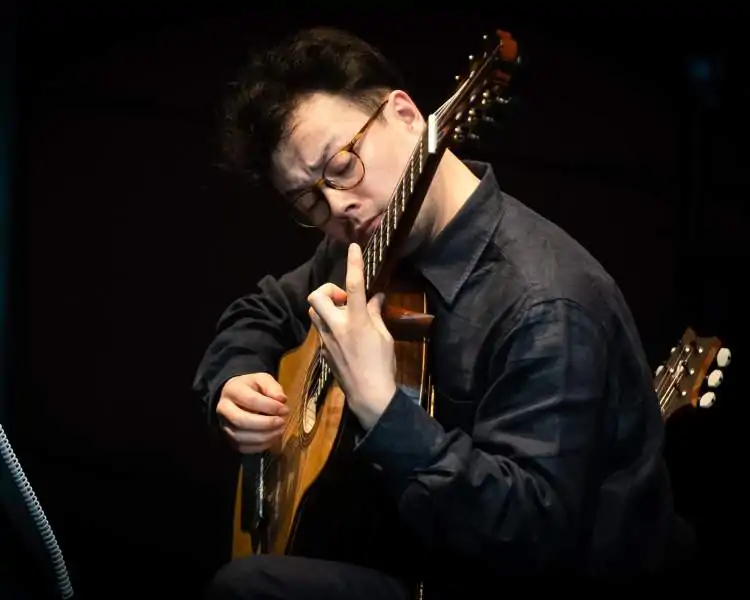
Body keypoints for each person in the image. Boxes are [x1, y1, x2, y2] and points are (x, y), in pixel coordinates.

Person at [193, 26, 693, 599]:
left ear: (405, 116)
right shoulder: (365, 240)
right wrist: (233, 378)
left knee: (247, 588)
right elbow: (263, 309)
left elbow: (531, 534)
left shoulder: (545, 304)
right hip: (418, 550)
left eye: (342, 165)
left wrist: (383, 408)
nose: (337, 206)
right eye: (308, 200)